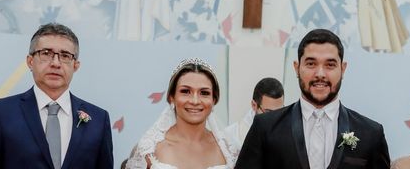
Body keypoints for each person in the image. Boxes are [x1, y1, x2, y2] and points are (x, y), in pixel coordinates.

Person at [234, 28, 390, 169]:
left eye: (330, 65)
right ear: (297, 68)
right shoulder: (265, 127)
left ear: (343, 69)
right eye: (311, 64)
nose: (320, 74)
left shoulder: (371, 133)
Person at [0, 23, 113, 168]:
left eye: (65, 56)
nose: (56, 63)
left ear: (75, 65)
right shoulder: (0, 113)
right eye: (46, 53)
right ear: (30, 61)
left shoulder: (98, 120)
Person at [126, 58, 237, 168]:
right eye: (185, 91)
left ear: (214, 100)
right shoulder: (149, 150)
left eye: (204, 93)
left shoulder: (229, 151)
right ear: (171, 97)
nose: (195, 101)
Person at [223, 77, 284, 150]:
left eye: (279, 111)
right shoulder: (231, 136)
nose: (275, 118)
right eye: (268, 112)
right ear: (254, 105)